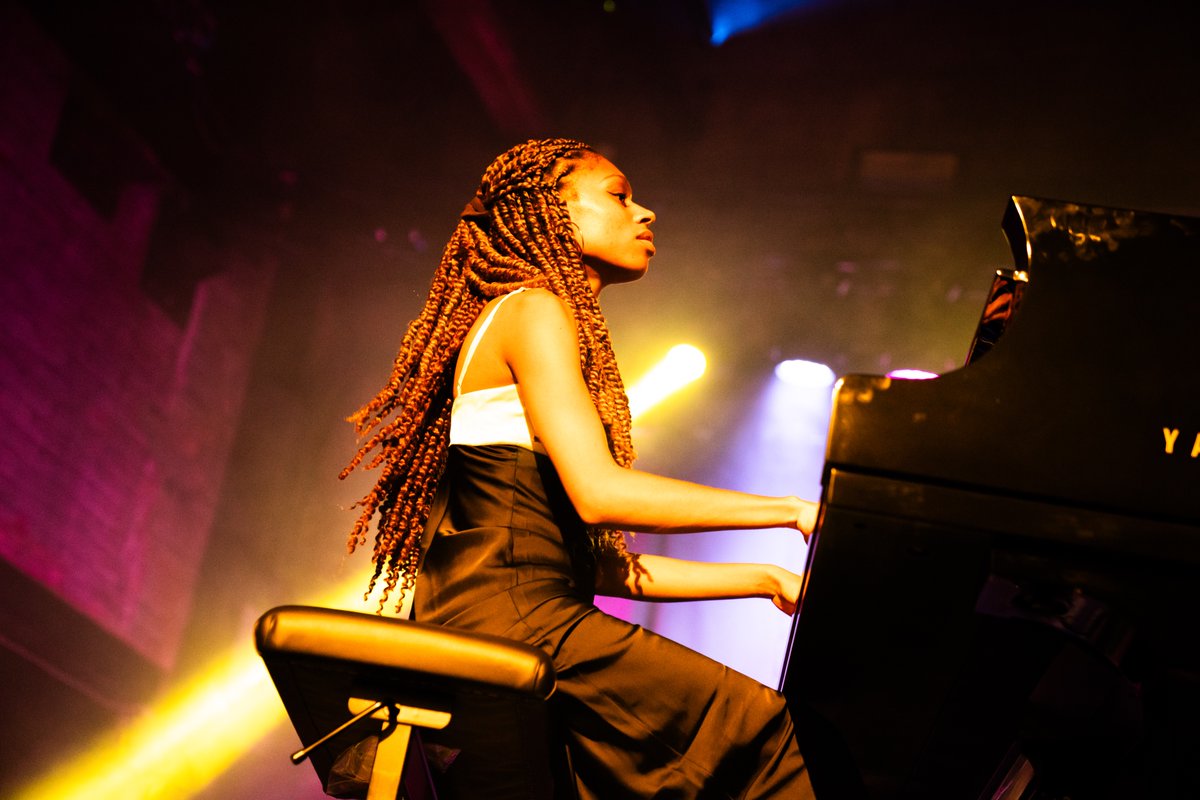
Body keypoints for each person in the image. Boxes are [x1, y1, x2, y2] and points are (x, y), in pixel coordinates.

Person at [341, 138, 819, 799]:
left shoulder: (520, 315)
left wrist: (764, 578)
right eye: (620, 196)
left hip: (504, 616)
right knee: (767, 739)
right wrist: (791, 510)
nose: (645, 212)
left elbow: (594, 565)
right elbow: (600, 496)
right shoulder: (533, 309)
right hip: (520, 625)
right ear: (553, 213)